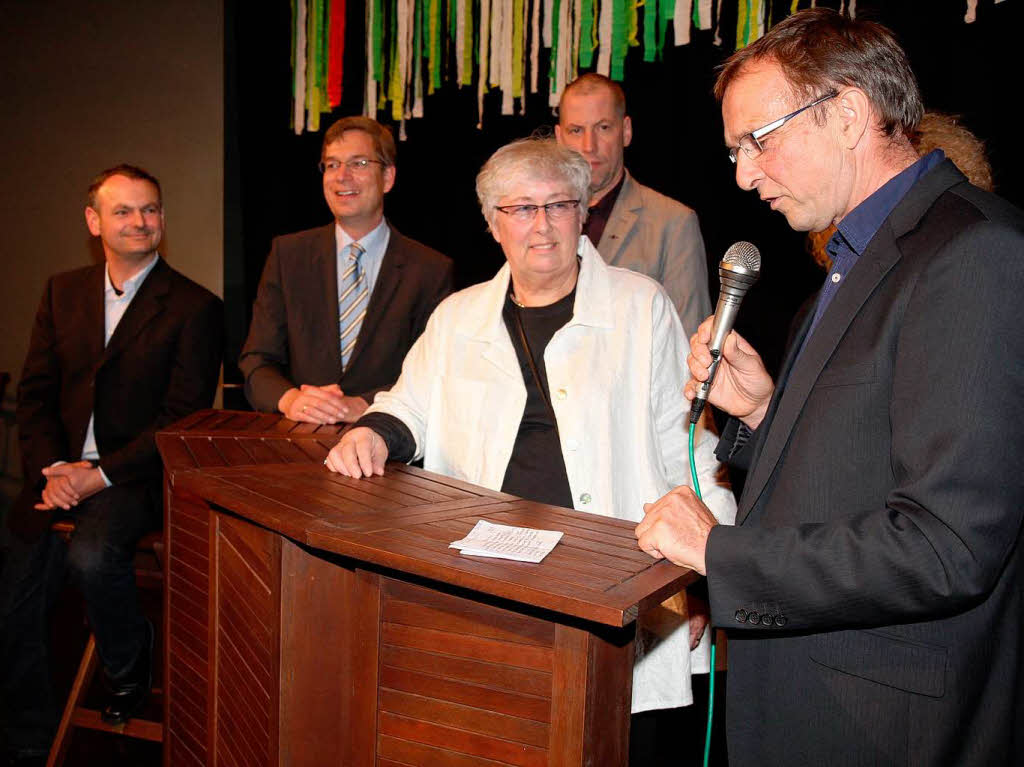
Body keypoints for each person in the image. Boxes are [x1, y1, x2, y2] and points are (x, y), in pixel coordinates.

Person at [635, 9, 1024, 765]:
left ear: (847, 113)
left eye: (760, 139)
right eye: (734, 152)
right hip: (809, 698)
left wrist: (720, 554)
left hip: (884, 722)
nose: (745, 174)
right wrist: (761, 408)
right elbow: (865, 463)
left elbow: (945, 545)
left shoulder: (975, 253)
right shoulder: (849, 263)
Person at [326, 137, 736, 765]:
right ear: (493, 224)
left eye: (558, 205)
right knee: (499, 731)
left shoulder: (639, 304)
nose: (540, 225)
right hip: (488, 572)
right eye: (519, 208)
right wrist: (372, 431)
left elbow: (683, 440)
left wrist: (710, 569)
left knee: (603, 735)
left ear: (583, 214)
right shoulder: (456, 315)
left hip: (608, 571)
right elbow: (407, 405)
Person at [0, 165, 223, 764]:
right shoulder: (61, 291)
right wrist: (53, 469)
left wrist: (96, 475)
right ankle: (28, 731)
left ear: (162, 220)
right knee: (15, 580)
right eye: (123, 211)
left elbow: (182, 421)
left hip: (137, 477)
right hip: (59, 471)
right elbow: (36, 393)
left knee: (91, 556)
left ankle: (128, 664)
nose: (139, 222)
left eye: (150, 210)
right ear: (94, 221)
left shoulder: (195, 307)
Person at [239, 116, 453, 425]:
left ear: (388, 177)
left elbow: (435, 372)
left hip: (387, 448)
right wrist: (292, 400)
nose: (342, 177)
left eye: (359, 163)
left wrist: (368, 405)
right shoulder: (288, 255)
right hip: (295, 446)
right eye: (331, 165)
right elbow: (256, 360)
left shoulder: (430, 270)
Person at [555, 73, 711, 336]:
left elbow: (690, 342)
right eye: (576, 130)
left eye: (603, 128)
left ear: (625, 131)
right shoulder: (540, 219)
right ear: (559, 138)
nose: (588, 146)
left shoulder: (672, 223)